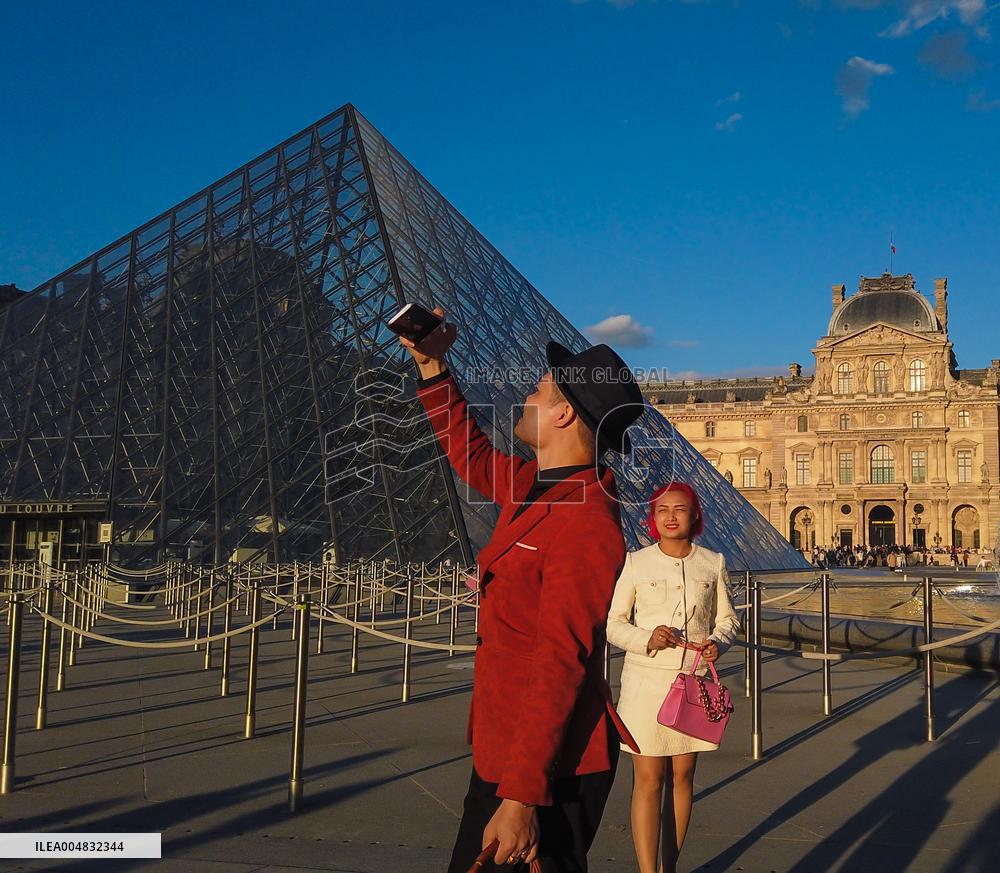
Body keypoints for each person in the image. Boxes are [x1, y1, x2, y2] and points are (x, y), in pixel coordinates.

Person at [400, 307, 644, 872]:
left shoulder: (586, 524)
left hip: (549, 768)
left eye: (538, 389)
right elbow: (471, 455)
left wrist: (521, 795)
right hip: (510, 744)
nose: (525, 399)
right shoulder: (535, 484)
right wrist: (434, 368)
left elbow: (560, 659)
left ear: (563, 414)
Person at [606, 483, 740, 873]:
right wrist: (645, 638)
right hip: (646, 685)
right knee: (648, 779)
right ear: (653, 517)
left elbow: (728, 619)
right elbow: (613, 623)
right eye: (662, 509)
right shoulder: (636, 562)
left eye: (679, 509)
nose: (670, 516)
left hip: (694, 684)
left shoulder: (712, 562)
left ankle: (670, 865)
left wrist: (719, 641)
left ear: (694, 515)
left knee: (683, 777)